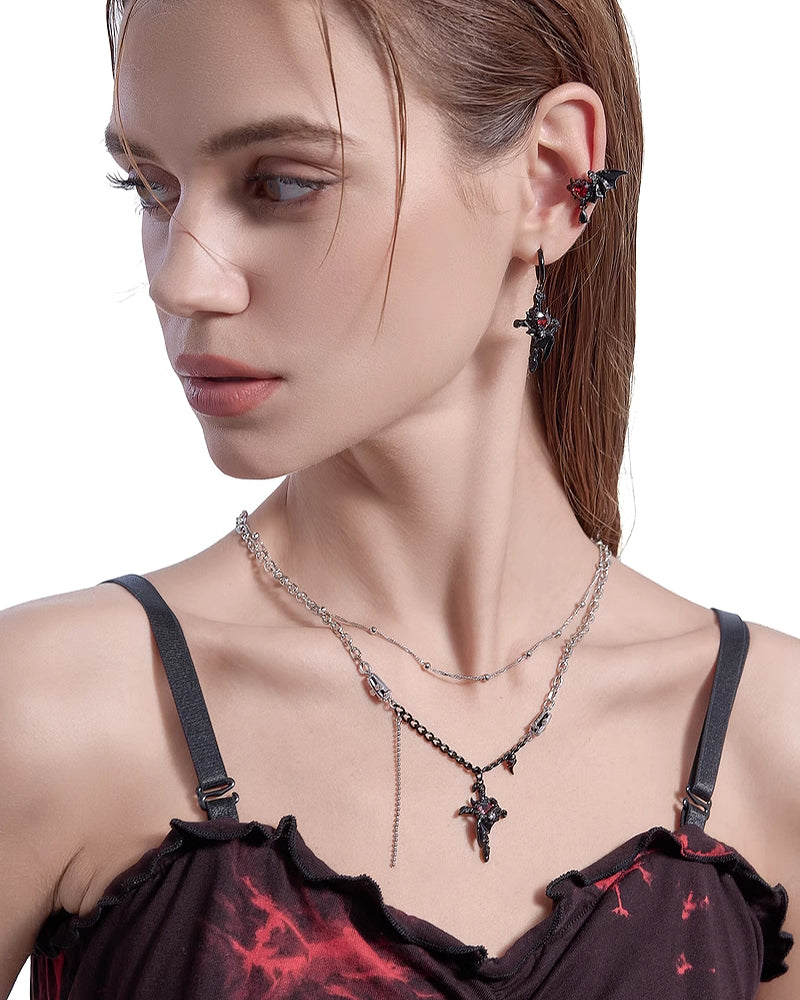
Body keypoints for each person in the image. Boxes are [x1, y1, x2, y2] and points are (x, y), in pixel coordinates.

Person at [1, 0, 797, 996]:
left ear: (550, 178)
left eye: (281, 184)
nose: (181, 281)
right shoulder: (53, 713)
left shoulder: (770, 739)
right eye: (152, 187)